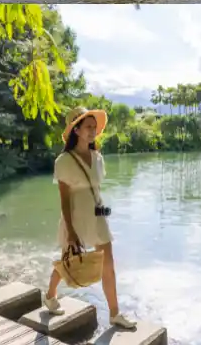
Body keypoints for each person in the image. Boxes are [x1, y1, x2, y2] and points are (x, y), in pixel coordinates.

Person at [43, 108, 136, 330]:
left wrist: (106, 214)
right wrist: (71, 230)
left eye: (95, 127)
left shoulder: (97, 158)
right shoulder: (64, 161)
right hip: (75, 218)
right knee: (70, 261)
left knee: (109, 263)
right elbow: (64, 200)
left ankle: (115, 313)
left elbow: (96, 192)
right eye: (88, 127)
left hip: (97, 216)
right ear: (76, 130)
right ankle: (50, 295)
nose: (93, 131)